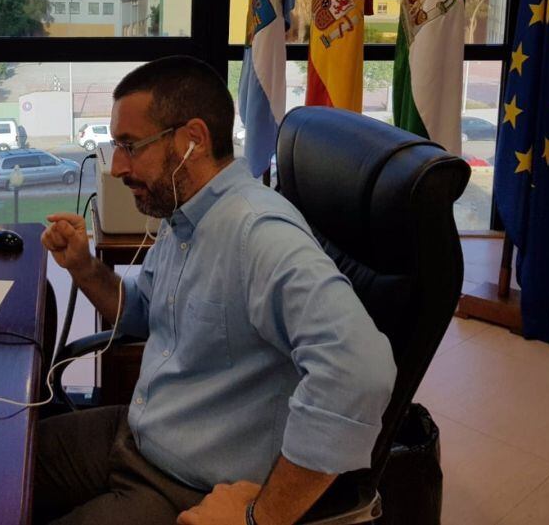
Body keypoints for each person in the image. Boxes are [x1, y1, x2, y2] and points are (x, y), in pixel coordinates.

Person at [37, 56, 396, 525]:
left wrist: (260, 519)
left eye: (130, 146)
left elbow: (360, 372)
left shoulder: (258, 233)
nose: (118, 166)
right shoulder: (182, 214)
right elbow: (144, 312)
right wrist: (83, 268)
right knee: (3, 464)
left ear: (193, 140)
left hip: (191, 486)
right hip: (139, 434)